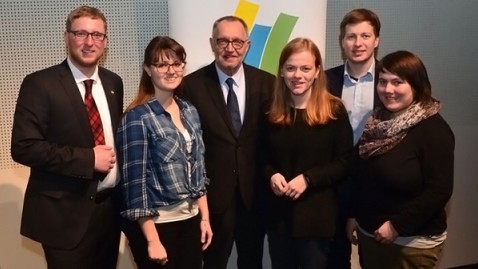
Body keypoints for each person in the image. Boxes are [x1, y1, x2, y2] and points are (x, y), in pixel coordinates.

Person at [10, 5, 123, 269]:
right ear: (66, 37)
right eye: (80, 33)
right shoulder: (40, 84)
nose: (89, 42)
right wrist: (88, 159)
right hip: (64, 217)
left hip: (109, 213)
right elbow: (24, 147)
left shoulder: (113, 83)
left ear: (105, 42)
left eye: (97, 35)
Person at [180, 15, 275, 269]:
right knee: (213, 263)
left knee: (252, 261)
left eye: (236, 41)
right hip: (212, 199)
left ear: (248, 45)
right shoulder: (191, 86)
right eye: (222, 41)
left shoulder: (269, 84)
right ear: (212, 44)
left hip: (255, 195)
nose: (230, 48)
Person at [346, 50, 454, 269]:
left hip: (410, 244)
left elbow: (439, 190)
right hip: (370, 236)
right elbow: (360, 175)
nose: (388, 89)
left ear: (416, 85)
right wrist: (353, 215)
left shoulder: (433, 129)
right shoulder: (377, 122)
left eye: (397, 82)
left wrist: (396, 227)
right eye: (383, 81)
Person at [116, 36, 213, 269]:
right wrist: (152, 240)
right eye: (161, 64)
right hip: (158, 227)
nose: (171, 70)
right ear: (148, 70)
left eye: (177, 63)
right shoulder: (137, 117)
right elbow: (135, 185)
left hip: (190, 221)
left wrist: (205, 218)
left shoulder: (189, 110)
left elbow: (198, 169)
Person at [263, 37, 353, 269]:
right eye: (290, 68)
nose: (297, 75)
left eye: (305, 68)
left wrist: (308, 179)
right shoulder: (270, 110)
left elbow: (344, 162)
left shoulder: (334, 110)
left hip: (317, 218)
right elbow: (260, 158)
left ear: (317, 71)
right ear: (281, 71)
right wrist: (271, 175)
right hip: (279, 218)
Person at [325, 8, 381, 269]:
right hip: (335, 183)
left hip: (376, 182)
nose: (358, 43)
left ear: (376, 40)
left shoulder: (391, 81)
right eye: (351, 37)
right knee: (335, 257)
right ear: (342, 41)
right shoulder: (325, 81)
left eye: (365, 36)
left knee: (377, 257)